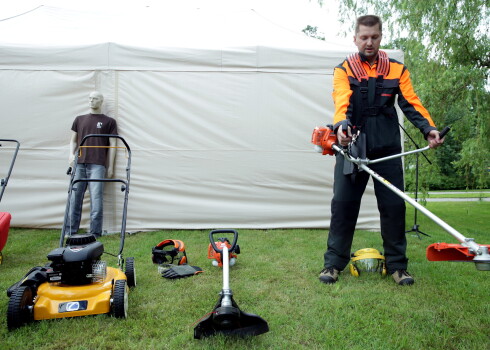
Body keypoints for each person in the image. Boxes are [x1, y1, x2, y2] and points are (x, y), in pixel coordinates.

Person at [319, 15, 444, 286]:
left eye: (374, 37)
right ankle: (333, 264)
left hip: (388, 145)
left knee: (393, 206)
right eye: (364, 37)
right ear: (355, 39)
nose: (369, 42)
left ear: (381, 37)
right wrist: (341, 127)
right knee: (342, 205)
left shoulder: (397, 69)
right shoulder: (343, 70)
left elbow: (411, 103)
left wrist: (429, 129)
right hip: (352, 143)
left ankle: (398, 266)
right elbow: (342, 102)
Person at [64, 91, 118, 237]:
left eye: (95, 98)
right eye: (89, 98)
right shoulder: (79, 119)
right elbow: (73, 140)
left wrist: (111, 166)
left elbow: (113, 144)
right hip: (79, 163)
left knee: (96, 199)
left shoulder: (109, 122)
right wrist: (71, 154)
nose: (91, 101)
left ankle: (95, 232)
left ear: (101, 101)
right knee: (75, 198)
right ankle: (70, 231)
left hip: (98, 165)